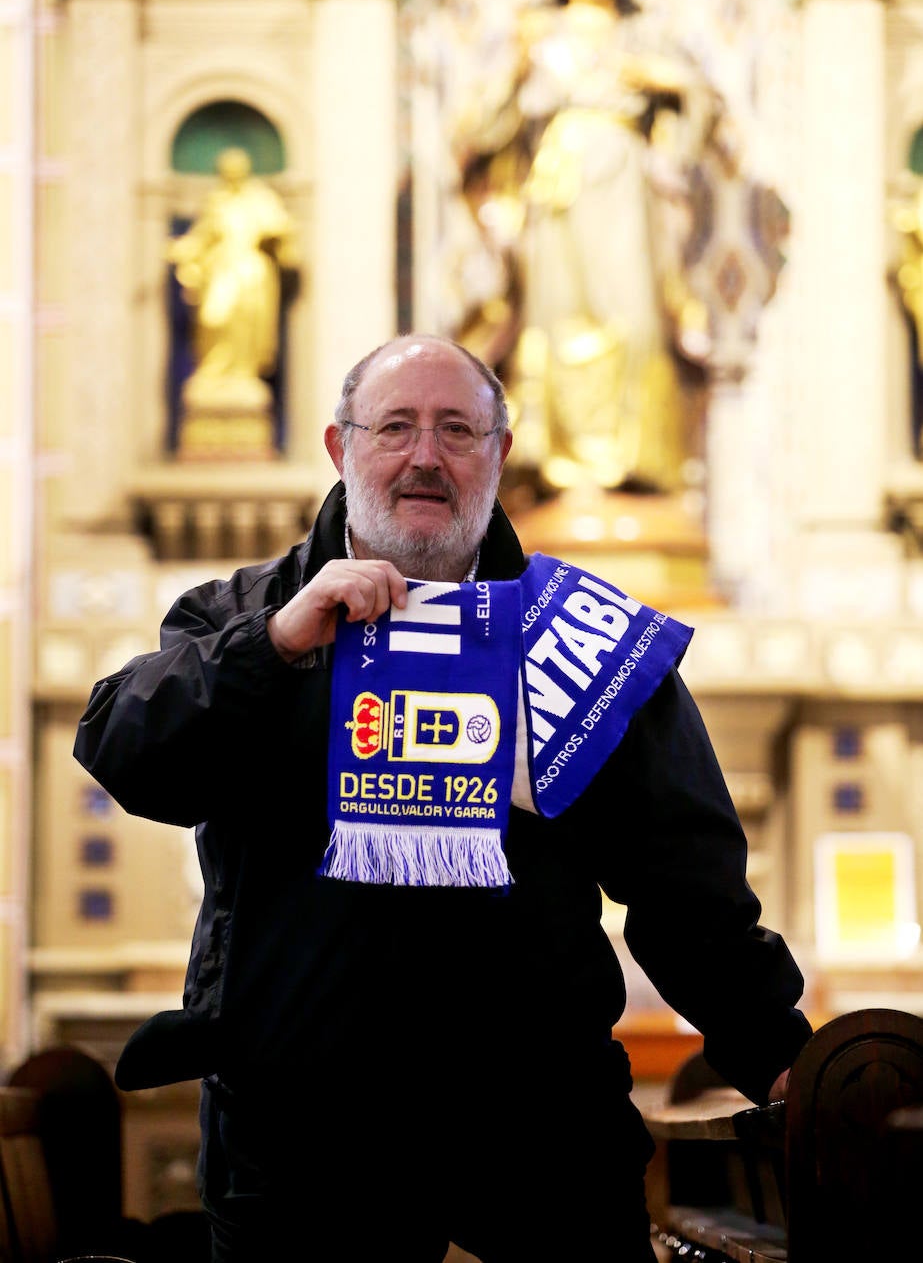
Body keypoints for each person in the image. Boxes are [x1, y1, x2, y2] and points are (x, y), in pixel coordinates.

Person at [74, 333, 811, 1262]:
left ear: (499, 456)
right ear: (343, 450)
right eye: (395, 427)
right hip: (301, 1154)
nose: (425, 455)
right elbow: (125, 752)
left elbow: (685, 888)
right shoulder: (244, 614)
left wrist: (779, 1054)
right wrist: (276, 646)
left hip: (543, 1145)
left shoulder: (583, 641)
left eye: (457, 430)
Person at [449, 0, 714, 495]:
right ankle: (555, 466)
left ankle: (639, 464)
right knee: (556, 315)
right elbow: (479, 131)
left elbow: (698, 123)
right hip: (557, 188)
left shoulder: (646, 33)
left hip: (625, 185)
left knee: (634, 320)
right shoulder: (538, 32)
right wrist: (518, 67)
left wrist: (676, 84)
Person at [167, 145, 299, 408]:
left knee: (245, 324)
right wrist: (181, 249)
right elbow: (201, 237)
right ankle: (215, 372)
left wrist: (273, 234)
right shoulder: (216, 202)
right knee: (214, 318)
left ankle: (241, 374)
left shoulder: (260, 199)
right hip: (221, 271)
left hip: (250, 273)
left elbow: (281, 229)